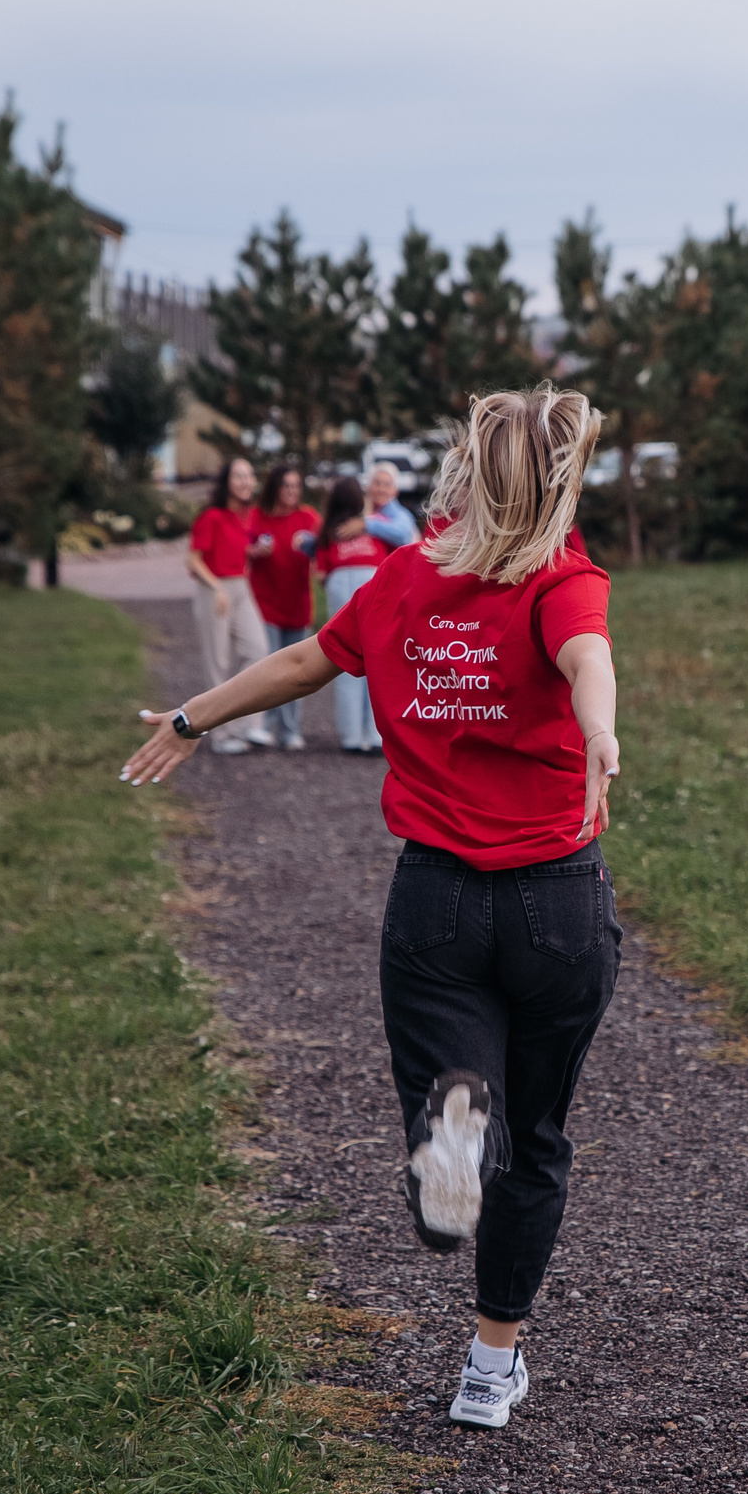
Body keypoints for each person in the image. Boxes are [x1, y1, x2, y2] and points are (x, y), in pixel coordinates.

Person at [123, 385, 621, 1431]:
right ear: (562, 480)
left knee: (463, 1097)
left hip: (438, 899)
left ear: (463, 472)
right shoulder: (562, 580)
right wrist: (601, 734)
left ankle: (451, 1135)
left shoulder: (402, 577)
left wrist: (190, 716)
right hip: (556, 906)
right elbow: (587, 657)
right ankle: (491, 1369)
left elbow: (308, 660)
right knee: (535, 1135)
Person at [183, 458, 274, 753]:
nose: (246, 482)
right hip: (214, 590)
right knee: (218, 664)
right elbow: (192, 559)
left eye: (249, 476)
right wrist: (216, 587)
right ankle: (221, 737)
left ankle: (247, 727)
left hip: (240, 586)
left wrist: (255, 552)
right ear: (227, 482)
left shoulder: (244, 516)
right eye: (239, 476)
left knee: (258, 651)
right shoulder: (211, 516)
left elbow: (235, 549)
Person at [310, 474, 390, 754]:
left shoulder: (328, 530)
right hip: (372, 579)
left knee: (344, 659)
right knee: (376, 661)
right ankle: (376, 736)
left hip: (338, 582)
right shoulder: (376, 526)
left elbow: (321, 572)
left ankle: (351, 737)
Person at [250, 463, 321, 752]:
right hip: (265, 604)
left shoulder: (309, 517)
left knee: (295, 673)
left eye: (296, 486)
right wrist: (255, 551)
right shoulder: (257, 517)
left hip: (298, 604)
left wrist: (313, 550)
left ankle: (290, 731)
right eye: (286, 486)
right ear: (275, 488)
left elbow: (324, 550)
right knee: (267, 668)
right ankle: (263, 727)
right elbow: (241, 548)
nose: (291, 491)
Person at [363, 462, 421, 549]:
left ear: (395, 491)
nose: (381, 489)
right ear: (368, 487)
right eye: (376, 483)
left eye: (387, 485)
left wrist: (365, 524)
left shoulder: (402, 514)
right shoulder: (360, 510)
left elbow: (404, 535)